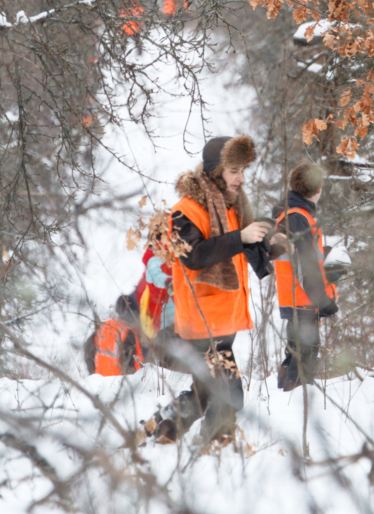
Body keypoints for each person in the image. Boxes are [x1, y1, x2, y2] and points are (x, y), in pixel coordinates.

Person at [144, 135, 277, 445]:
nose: (241, 178)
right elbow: (194, 256)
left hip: (223, 317)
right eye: (234, 170)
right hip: (203, 320)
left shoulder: (231, 207)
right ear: (216, 171)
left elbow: (243, 243)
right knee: (229, 393)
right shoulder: (185, 210)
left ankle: (164, 428)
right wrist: (240, 238)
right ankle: (214, 444)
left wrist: (269, 237)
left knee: (206, 390)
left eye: (243, 170)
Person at [273, 162, 343, 392]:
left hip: (296, 298)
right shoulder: (297, 218)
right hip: (303, 301)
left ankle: (283, 400)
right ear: (319, 188)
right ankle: (292, 407)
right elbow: (305, 268)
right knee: (305, 359)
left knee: (296, 356)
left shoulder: (292, 216)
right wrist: (323, 301)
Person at [84, 294, 144, 377]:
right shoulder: (129, 333)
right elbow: (131, 365)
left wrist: (93, 374)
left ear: (117, 310)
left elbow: (87, 349)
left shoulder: (104, 326)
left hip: (100, 383)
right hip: (120, 384)